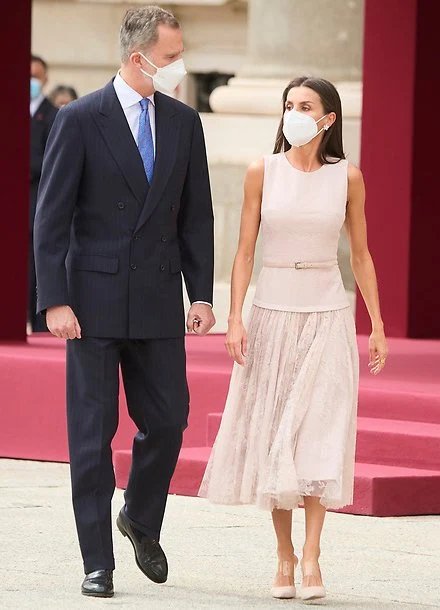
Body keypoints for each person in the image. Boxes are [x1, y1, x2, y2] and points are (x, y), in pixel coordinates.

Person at [34, 6, 215, 599]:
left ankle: (139, 515)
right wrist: (53, 300)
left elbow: (196, 216)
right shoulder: (81, 118)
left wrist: (203, 293)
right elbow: (51, 217)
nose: (178, 66)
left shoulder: (186, 122)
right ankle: (97, 561)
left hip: (160, 297)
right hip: (90, 303)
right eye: (170, 57)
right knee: (91, 436)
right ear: (138, 58)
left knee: (168, 421)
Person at [199, 76, 388, 601]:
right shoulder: (263, 170)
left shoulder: (348, 178)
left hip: (327, 312)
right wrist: (234, 318)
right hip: (272, 312)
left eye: (305, 106)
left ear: (329, 119)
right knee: (277, 437)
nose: (294, 113)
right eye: (289, 105)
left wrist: (375, 323)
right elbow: (241, 253)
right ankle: (283, 554)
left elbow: (361, 255)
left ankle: (312, 555)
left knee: (317, 436)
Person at [29, 54, 57, 332]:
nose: (31, 82)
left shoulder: (54, 115)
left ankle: (40, 328)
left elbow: (51, 160)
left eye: (36, 76)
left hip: (37, 204)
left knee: (36, 273)